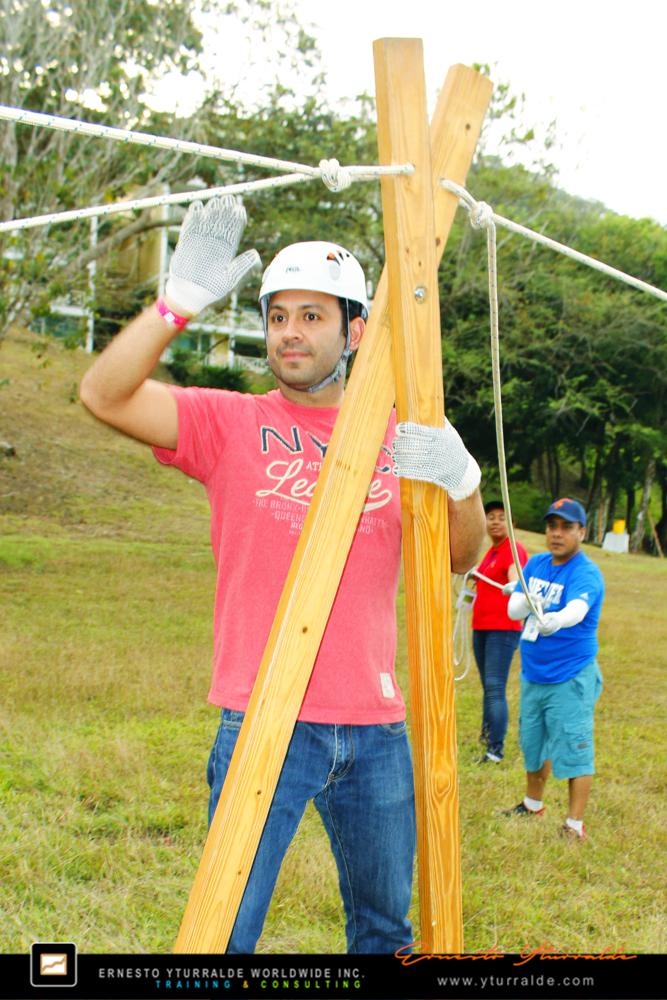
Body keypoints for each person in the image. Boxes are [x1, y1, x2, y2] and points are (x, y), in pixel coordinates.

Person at [79, 196, 485, 953]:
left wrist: (461, 479)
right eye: (277, 316)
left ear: (354, 331)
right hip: (261, 718)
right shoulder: (228, 423)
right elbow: (103, 395)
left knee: (383, 929)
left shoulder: (402, 437)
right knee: (223, 934)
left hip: (376, 732)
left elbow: (458, 558)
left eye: (312, 316)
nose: (290, 332)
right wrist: (177, 304)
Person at [504, 498, 604, 841]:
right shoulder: (535, 564)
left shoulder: (586, 573)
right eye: (551, 526)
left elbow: (578, 608)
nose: (556, 534)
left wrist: (556, 619)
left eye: (565, 527)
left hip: (570, 675)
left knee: (575, 747)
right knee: (533, 743)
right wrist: (521, 602)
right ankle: (533, 803)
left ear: (582, 532)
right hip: (534, 674)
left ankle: (574, 824)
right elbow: (515, 607)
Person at [471, 500, 528, 763]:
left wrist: (513, 585)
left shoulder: (513, 549)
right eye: (490, 517)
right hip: (481, 626)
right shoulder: (491, 552)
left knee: (495, 687)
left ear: (512, 524)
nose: (495, 521)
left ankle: (495, 750)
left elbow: (516, 579)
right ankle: (487, 734)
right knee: (488, 686)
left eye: (501, 517)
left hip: (502, 628)